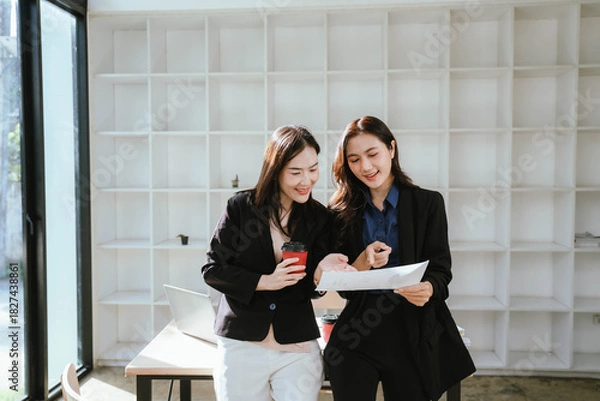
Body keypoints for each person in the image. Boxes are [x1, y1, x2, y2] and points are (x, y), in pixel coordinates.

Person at [323, 116, 476, 401]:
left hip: (412, 328)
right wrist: (362, 262)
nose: (365, 167)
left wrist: (428, 288)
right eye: (354, 159)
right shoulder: (340, 211)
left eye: (373, 154)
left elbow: (441, 271)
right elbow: (343, 286)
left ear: (391, 149)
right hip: (359, 329)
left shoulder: (428, 204)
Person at [202, 125, 352, 401]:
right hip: (241, 342)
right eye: (295, 172)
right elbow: (213, 270)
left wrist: (321, 272)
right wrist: (264, 281)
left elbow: (311, 288)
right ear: (275, 170)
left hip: (296, 345)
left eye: (313, 169)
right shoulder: (241, 208)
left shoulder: (320, 218)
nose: (306, 180)